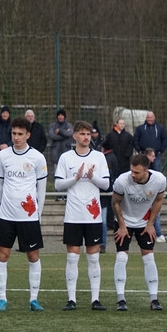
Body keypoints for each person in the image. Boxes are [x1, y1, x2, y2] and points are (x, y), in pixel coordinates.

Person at [0, 115, 48, 311]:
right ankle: (2, 299)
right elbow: (0, 185)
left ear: (28, 135)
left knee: (33, 256)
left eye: (20, 134)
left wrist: (38, 214)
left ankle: (34, 299)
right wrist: (5, 205)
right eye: (14, 133)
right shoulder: (3, 156)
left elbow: (41, 189)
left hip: (29, 217)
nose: (16, 137)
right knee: (2, 255)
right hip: (7, 216)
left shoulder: (37, 157)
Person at [55, 121, 110, 311]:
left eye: (88, 134)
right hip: (73, 215)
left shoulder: (99, 157)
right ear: (75, 136)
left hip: (92, 216)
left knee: (93, 258)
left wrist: (92, 177)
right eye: (82, 134)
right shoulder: (66, 158)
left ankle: (95, 299)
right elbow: (58, 185)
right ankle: (72, 299)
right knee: (72, 258)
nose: (86, 137)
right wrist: (76, 178)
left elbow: (106, 185)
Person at [111, 152, 167, 311]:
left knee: (149, 257)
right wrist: (122, 226)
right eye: (131, 171)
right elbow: (115, 202)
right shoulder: (122, 181)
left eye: (136, 172)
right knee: (121, 256)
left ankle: (154, 299)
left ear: (146, 171)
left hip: (144, 222)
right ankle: (121, 299)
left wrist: (151, 224)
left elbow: (159, 200)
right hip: (124, 220)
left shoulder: (160, 180)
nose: (133, 175)